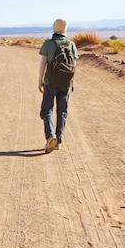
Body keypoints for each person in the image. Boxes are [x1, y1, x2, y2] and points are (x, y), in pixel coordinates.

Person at [38, 19, 79, 153]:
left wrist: (40, 81)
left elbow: (43, 64)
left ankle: (51, 136)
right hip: (66, 83)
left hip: (50, 82)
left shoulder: (48, 44)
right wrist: (71, 83)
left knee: (47, 109)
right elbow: (74, 66)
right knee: (62, 112)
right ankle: (59, 142)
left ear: (54, 28)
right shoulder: (71, 45)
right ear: (65, 29)